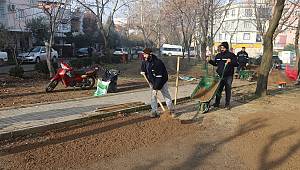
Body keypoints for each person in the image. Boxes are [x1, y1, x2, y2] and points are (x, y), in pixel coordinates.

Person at [141, 48, 175, 118]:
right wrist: (143, 71)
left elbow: (159, 78)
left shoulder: (157, 62)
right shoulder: (145, 61)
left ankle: (171, 111)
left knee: (166, 95)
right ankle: (154, 111)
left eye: (145, 54)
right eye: (143, 54)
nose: (144, 56)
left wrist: (155, 88)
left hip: (162, 81)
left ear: (150, 54)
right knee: (153, 97)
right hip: (152, 82)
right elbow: (144, 68)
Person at [207, 42, 238, 110]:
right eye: (221, 47)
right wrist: (210, 61)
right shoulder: (218, 55)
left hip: (228, 76)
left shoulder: (231, 55)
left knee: (227, 89)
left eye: (223, 48)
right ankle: (217, 103)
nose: (222, 49)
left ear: (226, 48)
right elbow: (216, 64)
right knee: (218, 90)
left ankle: (227, 104)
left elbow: (236, 64)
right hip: (220, 76)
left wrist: (231, 61)